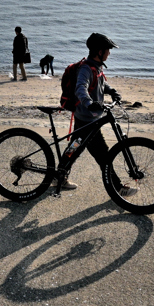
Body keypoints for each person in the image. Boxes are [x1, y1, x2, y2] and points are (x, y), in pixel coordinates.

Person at [62, 33, 137, 197]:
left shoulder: (96, 67)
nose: (109, 53)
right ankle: (118, 188)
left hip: (89, 120)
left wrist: (112, 91)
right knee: (103, 155)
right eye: (108, 50)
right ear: (99, 51)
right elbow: (81, 88)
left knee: (74, 149)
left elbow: (101, 83)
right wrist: (89, 103)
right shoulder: (86, 69)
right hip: (87, 121)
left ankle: (59, 176)